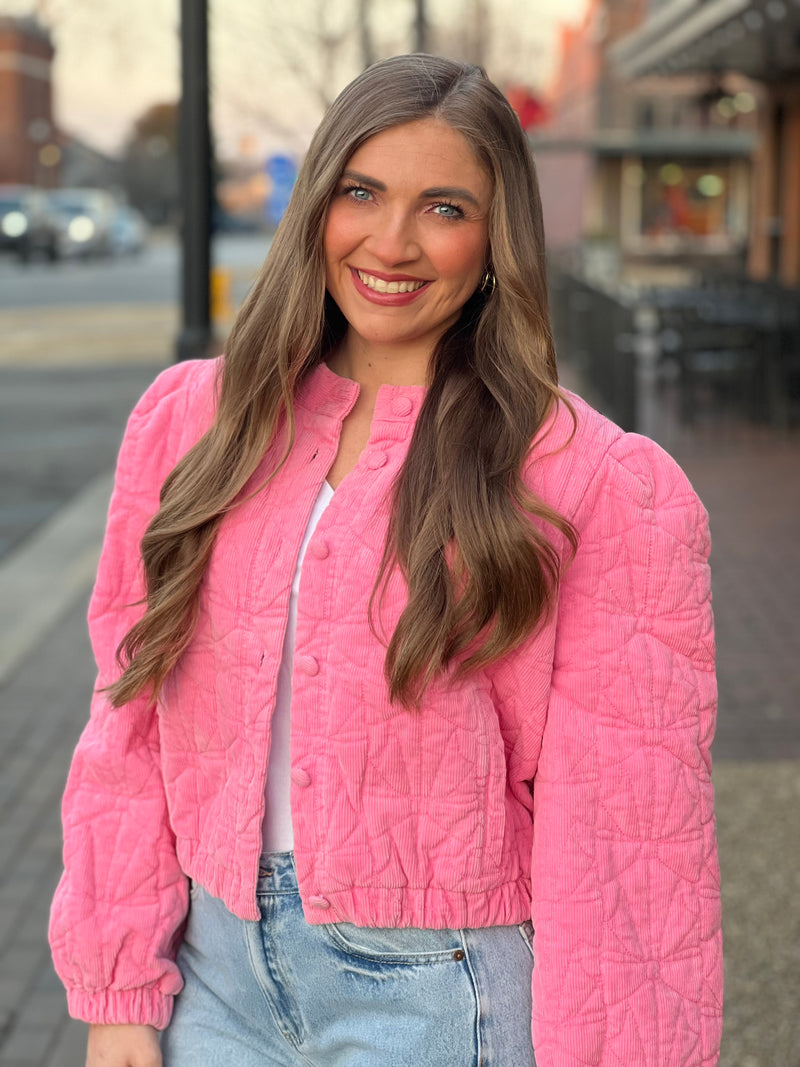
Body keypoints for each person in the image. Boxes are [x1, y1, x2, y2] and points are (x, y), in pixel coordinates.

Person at [49, 54, 722, 1067]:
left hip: (441, 995)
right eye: (361, 192)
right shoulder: (193, 421)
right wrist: (116, 989)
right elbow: (129, 718)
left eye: (443, 207)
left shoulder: (590, 481)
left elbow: (629, 837)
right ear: (317, 199)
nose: (391, 242)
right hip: (212, 979)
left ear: (494, 238)